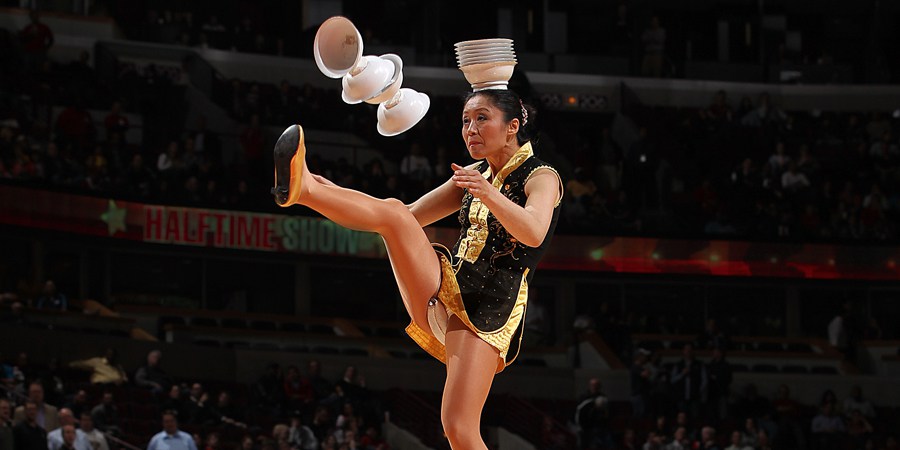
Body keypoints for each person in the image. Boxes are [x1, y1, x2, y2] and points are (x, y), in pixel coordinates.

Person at [270, 87, 562, 450]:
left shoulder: (541, 176)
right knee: (393, 215)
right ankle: (306, 190)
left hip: (491, 306)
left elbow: (534, 233)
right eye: (465, 121)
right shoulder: (475, 174)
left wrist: (487, 192)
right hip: (449, 282)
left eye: (482, 119)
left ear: (512, 127)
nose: (470, 129)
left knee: (458, 427)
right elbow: (406, 216)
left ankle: (308, 189)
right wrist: (333, 191)